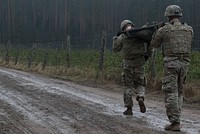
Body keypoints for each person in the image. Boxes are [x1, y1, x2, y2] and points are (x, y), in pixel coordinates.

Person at [150, 5, 193, 131]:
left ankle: (175, 122)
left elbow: (154, 44)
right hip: (185, 63)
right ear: (179, 15)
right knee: (180, 91)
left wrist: (157, 31)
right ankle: (177, 117)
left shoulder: (165, 29)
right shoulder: (189, 29)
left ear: (169, 16)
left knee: (171, 92)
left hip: (171, 64)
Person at [113, 20, 148, 115]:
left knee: (128, 86)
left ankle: (129, 108)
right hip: (139, 63)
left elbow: (115, 48)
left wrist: (116, 38)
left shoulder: (123, 36)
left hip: (128, 64)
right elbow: (150, 42)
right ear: (132, 25)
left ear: (123, 28)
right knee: (140, 83)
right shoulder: (139, 34)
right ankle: (140, 97)